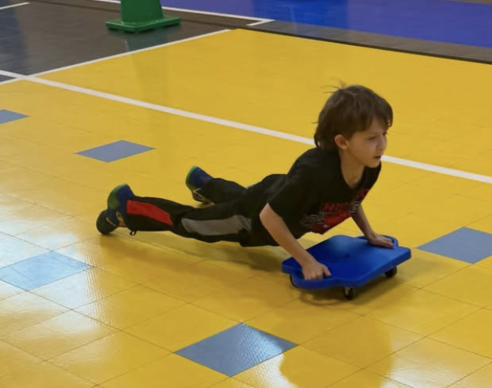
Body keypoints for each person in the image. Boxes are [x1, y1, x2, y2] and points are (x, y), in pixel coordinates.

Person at [96, 84, 393, 281]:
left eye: (383, 135)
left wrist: (369, 233)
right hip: (254, 220)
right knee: (190, 223)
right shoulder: (313, 173)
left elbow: (351, 198)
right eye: (371, 138)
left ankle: (206, 185)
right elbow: (268, 217)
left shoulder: (369, 165)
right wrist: (305, 261)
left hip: (276, 193)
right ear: (342, 142)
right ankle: (127, 207)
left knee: (245, 197)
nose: (381, 145)